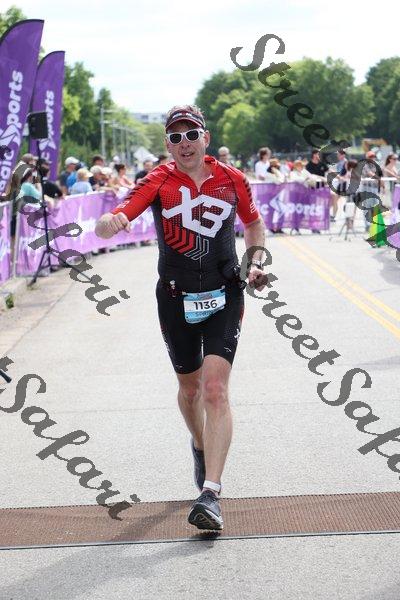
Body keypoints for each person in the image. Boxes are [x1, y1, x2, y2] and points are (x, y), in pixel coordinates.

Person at [95, 104, 267, 531]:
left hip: (225, 292)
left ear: (206, 138)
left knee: (215, 389)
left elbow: (253, 224)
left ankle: (210, 493)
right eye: (176, 137)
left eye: (192, 134)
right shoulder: (158, 180)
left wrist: (256, 261)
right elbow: (120, 213)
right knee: (190, 390)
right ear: (168, 145)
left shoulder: (232, 179)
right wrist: (109, 223)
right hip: (175, 297)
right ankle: (200, 444)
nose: (185, 143)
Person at [306, 149, 328, 234]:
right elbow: (310, 176)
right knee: (314, 208)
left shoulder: (322, 164)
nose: (318, 156)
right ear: (313, 155)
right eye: (317, 154)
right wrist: (322, 178)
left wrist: (338, 176)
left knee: (320, 207)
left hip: (322, 189)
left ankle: (318, 225)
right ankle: (313, 226)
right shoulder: (309, 165)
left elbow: (328, 171)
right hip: (313, 189)